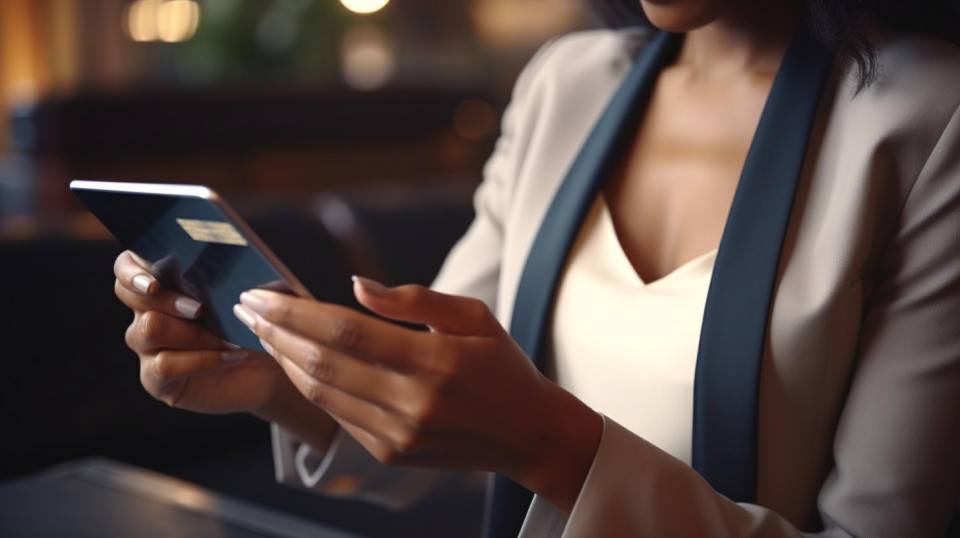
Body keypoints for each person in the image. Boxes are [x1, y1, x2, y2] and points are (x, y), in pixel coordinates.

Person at [112, 0, 960, 535]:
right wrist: (277, 385)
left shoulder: (927, 122)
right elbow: (443, 423)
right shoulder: (568, 85)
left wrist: (551, 446)